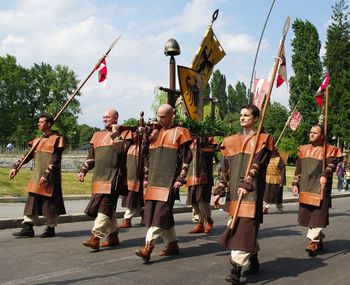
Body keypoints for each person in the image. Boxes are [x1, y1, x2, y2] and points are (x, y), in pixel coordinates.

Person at [212, 104, 273, 285]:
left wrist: (247, 183)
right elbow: (225, 170)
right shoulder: (230, 141)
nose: (242, 118)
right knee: (242, 230)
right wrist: (219, 190)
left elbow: (258, 165)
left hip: (251, 194)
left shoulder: (264, 139)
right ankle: (253, 260)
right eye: (241, 115)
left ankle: (235, 270)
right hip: (234, 194)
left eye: (246, 115)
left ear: (255, 119)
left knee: (243, 231)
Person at [135, 104, 192, 262]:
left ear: (171, 115)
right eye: (158, 116)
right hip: (154, 180)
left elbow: (187, 157)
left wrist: (181, 178)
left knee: (160, 214)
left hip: (170, 181)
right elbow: (146, 156)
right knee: (158, 214)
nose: (159, 119)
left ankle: (148, 247)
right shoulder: (154, 133)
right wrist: (145, 137)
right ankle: (172, 244)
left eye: (163, 116)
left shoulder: (181, 132)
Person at [78, 109, 132, 250]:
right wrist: (83, 170)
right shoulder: (97, 135)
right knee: (108, 209)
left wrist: (115, 133)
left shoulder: (125, 133)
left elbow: (122, 151)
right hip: (99, 178)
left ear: (115, 118)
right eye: (103, 117)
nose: (104, 119)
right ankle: (113, 236)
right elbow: (91, 157)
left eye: (107, 117)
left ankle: (95, 237)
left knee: (105, 206)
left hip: (114, 177)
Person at [9, 113, 66, 238]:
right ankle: (27, 227)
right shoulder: (37, 141)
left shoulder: (57, 139)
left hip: (51, 177)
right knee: (31, 202)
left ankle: (50, 228)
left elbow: (55, 160)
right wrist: (15, 167)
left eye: (41, 122)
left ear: (49, 124)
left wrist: (46, 174)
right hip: (36, 176)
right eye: (39, 122)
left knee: (50, 204)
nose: (38, 124)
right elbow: (27, 156)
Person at [292, 124, 342, 257]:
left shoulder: (330, 149)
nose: (311, 134)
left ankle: (313, 241)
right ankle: (318, 240)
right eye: (310, 132)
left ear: (322, 136)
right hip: (306, 188)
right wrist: (295, 183)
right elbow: (298, 168)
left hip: (321, 188)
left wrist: (325, 175)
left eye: (315, 132)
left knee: (317, 216)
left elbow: (332, 164)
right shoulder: (303, 149)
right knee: (309, 217)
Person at [186, 135, 217, 234]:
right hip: (191, 175)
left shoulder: (208, 139)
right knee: (194, 200)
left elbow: (211, 151)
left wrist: (202, 142)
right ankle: (199, 223)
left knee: (202, 200)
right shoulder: (187, 140)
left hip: (204, 175)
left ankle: (208, 220)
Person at [120, 132, 145, 228]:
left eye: (136, 134)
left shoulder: (143, 147)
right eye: (132, 134)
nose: (133, 135)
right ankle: (144, 214)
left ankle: (127, 219)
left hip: (139, 178)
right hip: (128, 177)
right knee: (134, 199)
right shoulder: (128, 146)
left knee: (133, 199)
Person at [262, 149, 286, 214]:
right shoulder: (267, 159)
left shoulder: (279, 159)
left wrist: (282, 181)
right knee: (266, 195)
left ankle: (279, 208)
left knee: (277, 196)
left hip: (277, 180)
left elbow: (283, 169)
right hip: (268, 180)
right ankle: (265, 208)